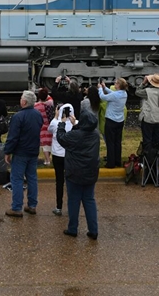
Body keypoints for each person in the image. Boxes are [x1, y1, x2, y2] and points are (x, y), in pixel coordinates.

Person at [56, 108, 101, 239]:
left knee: (74, 200)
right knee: (89, 200)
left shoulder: (75, 136)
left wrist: (62, 123)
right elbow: (81, 135)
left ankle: (72, 228)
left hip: (74, 173)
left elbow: (62, 138)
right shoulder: (95, 134)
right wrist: (76, 125)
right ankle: (93, 230)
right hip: (91, 172)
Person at [4, 90, 43, 217]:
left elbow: (13, 137)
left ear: (24, 101)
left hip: (21, 152)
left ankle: (16, 207)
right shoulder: (38, 115)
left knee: (17, 179)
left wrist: (7, 151)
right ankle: (32, 205)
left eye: (21, 98)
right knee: (32, 178)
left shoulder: (18, 117)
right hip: (33, 151)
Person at [47, 103, 75, 216]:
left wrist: (56, 116)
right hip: (70, 156)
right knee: (71, 181)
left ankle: (59, 207)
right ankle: (72, 206)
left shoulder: (55, 123)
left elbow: (49, 130)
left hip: (57, 155)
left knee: (59, 181)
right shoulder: (75, 124)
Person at [135, 74, 159, 157]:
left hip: (148, 118)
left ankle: (148, 157)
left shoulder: (148, 91)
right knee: (158, 139)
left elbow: (137, 92)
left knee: (147, 138)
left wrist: (143, 83)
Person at [99, 78, 128, 168]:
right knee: (117, 142)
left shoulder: (116, 95)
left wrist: (100, 88)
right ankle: (117, 161)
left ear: (118, 85)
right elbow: (113, 94)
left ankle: (110, 163)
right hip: (120, 121)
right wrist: (105, 87)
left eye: (116, 83)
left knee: (110, 142)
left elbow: (103, 97)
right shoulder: (124, 94)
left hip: (111, 121)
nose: (114, 84)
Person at [34, 88, 54, 166]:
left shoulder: (36, 106)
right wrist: (44, 92)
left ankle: (48, 160)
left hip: (42, 126)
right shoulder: (49, 104)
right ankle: (47, 159)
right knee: (48, 143)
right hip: (49, 125)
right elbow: (50, 98)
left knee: (44, 144)